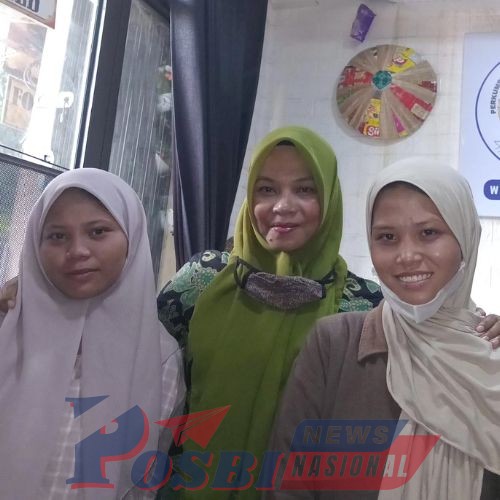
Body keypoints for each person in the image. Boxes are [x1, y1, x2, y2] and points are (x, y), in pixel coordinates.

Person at [266, 158, 500, 499]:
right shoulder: (334, 345)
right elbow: (288, 485)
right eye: (387, 237)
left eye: (429, 233)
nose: (407, 255)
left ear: (465, 237)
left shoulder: (490, 358)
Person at [0, 168, 184, 499]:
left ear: (131, 237)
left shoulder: (158, 357)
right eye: (57, 236)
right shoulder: (8, 328)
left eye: (98, 232)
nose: (77, 251)